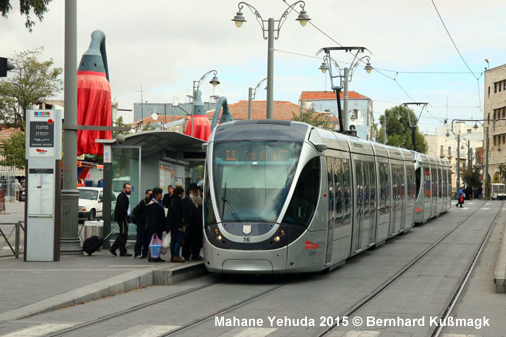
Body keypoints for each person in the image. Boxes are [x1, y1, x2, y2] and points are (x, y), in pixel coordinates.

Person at [182, 183, 204, 261]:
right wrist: (185, 222)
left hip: (198, 224)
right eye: (194, 191)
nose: (196, 192)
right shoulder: (186, 200)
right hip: (190, 224)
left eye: (196, 191)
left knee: (197, 240)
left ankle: (196, 255)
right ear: (190, 191)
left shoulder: (200, 200)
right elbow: (184, 212)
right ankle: (186, 255)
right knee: (188, 241)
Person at [111, 183, 132, 257]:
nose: (130, 190)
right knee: (123, 234)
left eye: (130, 188)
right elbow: (122, 208)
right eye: (128, 188)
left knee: (122, 234)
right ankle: (122, 251)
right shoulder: (122, 196)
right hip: (123, 218)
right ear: (124, 189)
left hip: (124, 218)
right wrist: (125, 217)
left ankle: (114, 248)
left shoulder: (124, 196)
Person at [145, 187, 166, 262]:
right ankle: (151, 256)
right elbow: (153, 218)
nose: (161, 195)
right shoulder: (153, 204)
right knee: (153, 242)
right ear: (156, 195)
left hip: (159, 226)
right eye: (160, 194)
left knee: (158, 242)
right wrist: (154, 229)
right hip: (154, 227)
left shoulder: (159, 202)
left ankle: (157, 256)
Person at [133, 189, 152, 259]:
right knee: (140, 239)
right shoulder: (143, 202)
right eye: (150, 194)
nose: (151, 196)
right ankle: (137, 253)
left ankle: (145, 253)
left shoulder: (152, 203)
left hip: (147, 224)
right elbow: (135, 211)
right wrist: (140, 219)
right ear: (146, 194)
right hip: (141, 224)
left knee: (147, 239)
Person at [167, 186, 185, 262]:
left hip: (171, 224)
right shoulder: (179, 202)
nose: (183, 195)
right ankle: (176, 256)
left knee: (173, 240)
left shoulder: (172, 200)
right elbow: (178, 215)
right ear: (179, 194)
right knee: (178, 240)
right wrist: (180, 225)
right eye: (182, 193)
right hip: (177, 224)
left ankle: (172, 256)